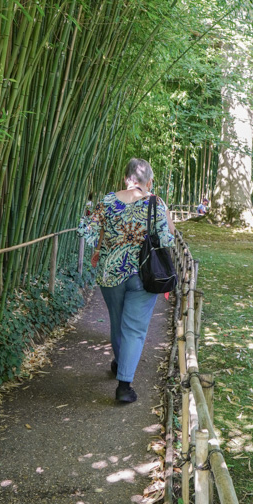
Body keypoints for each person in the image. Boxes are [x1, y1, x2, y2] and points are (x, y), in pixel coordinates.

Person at [79, 158, 175, 403]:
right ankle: (124, 385)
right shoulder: (155, 202)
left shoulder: (108, 200)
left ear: (126, 179)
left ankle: (120, 362)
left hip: (111, 274)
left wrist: (101, 249)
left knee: (117, 321)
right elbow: (167, 238)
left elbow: (88, 231)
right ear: (149, 181)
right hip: (145, 275)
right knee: (134, 329)